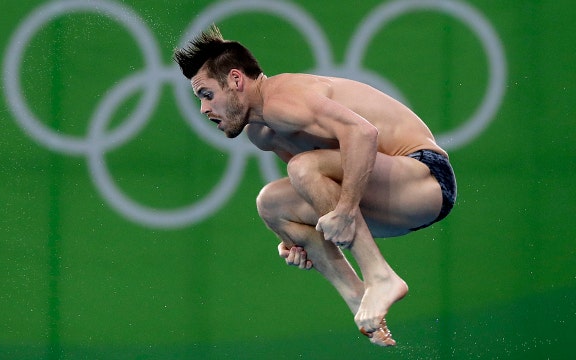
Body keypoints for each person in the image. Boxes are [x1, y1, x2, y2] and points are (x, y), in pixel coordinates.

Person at [173, 25, 456, 347]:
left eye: (207, 95)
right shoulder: (261, 132)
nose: (204, 109)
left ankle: (381, 276)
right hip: (390, 202)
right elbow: (319, 190)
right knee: (271, 204)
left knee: (304, 166)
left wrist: (346, 211)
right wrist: (295, 238)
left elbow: (363, 135)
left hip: (426, 179)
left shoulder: (286, 100)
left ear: (236, 80)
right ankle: (359, 298)